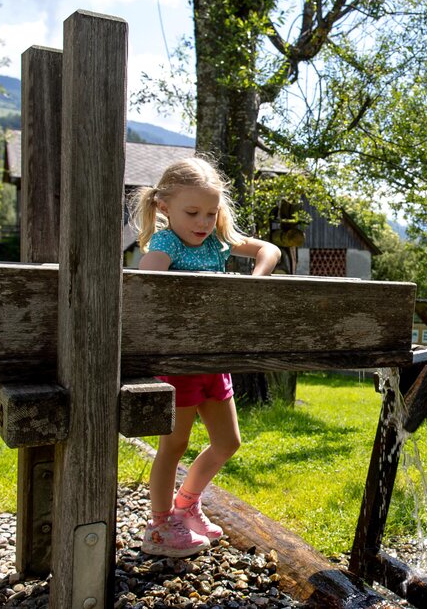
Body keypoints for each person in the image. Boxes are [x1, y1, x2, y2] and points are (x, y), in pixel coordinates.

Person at [129, 156, 281, 557]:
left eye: (210, 213)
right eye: (192, 212)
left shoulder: (217, 239)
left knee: (228, 441)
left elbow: (269, 249)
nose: (202, 222)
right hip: (178, 365)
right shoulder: (166, 243)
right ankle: (160, 526)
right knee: (173, 446)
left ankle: (187, 504)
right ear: (164, 207)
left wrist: (254, 281)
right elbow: (147, 282)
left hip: (214, 361)